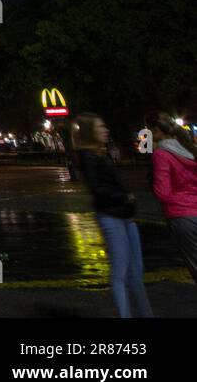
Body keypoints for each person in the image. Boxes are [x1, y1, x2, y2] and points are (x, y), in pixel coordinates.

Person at [74, 113, 153, 318]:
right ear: (91, 132)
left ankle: (146, 314)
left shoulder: (101, 154)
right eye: (100, 127)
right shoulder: (87, 157)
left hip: (124, 214)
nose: (105, 130)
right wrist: (124, 196)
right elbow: (98, 189)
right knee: (120, 272)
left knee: (136, 271)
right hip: (111, 215)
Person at [145, 111, 197, 285]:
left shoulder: (162, 154)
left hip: (182, 216)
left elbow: (163, 193)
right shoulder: (188, 149)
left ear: (156, 130)